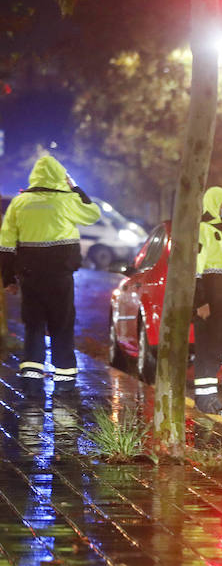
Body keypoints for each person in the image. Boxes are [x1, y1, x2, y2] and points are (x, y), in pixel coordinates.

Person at [0, 154, 102, 396]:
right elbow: (93, 213)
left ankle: (32, 380)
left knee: (33, 325)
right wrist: (75, 187)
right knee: (62, 324)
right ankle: (65, 379)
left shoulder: (20, 202)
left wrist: (8, 278)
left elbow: (5, 243)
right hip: (60, 276)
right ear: (60, 176)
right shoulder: (66, 201)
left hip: (29, 276)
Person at [193, 186, 222, 414]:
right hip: (208, 302)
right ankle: (204, 400)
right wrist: (200, 301)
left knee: (217, 350)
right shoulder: (203, 230)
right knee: (206, 348)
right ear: (213, 203)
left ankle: (211, 398)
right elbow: (197, 269)